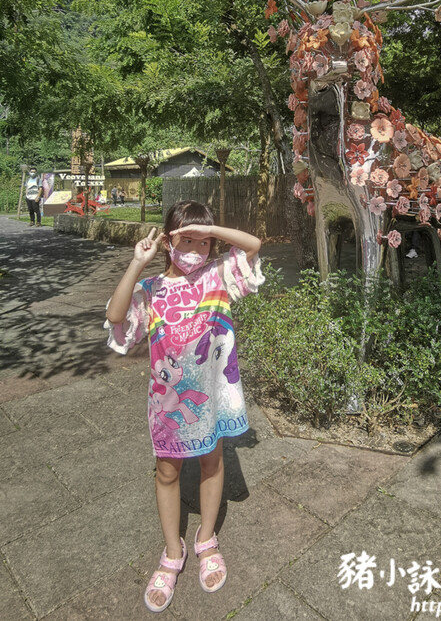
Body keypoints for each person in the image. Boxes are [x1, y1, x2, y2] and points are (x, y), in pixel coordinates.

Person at [105, 200, 264, 613]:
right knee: (167, 471)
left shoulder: (219, 277)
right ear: (168, 241)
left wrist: (212, 232)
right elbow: (116, 316)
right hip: (167, 405)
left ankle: (206, 538)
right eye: (185, 240)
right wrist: (138, 263)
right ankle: (172, 552)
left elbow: (252, 244)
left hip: (211, 398)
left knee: (212, 461)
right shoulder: (152, 291)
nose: (194, 249)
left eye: (202, 242)